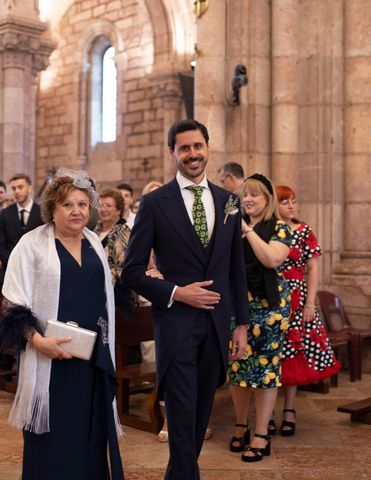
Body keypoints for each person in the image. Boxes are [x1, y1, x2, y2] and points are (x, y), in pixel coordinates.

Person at [122, 119, 249, 479]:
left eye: (198, 146)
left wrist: (240, 323)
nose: (192, 154)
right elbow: (131, 271)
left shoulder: (228, 202)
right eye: (184, 148)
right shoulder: (154, 203)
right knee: (179, 412)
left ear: (208, 148)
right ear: (172, 153)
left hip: (216, 323)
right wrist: (178, 293)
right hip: (176, 324)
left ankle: (178, 474)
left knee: (199, 413)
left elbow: (235, 269)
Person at [0, 168, 123, 479]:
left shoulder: (95, 242)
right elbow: (13, 302)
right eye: (68, 204)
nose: (77, 211)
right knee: (52, 439)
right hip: (49, 361)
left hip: (91, 361)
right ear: (52, 208)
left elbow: (105, 297)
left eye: (82, 204)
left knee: (89, 435)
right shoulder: (31, 244)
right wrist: (38, 341)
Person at [226, 173, 291, 462]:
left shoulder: (278, 227)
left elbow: (272, 259)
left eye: (255, 195)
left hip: (270, 308)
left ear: (268, 200)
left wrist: (247, 231)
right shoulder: (231, 227)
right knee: (237, 368)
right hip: (236, 305)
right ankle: (241, 423)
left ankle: (262, 433)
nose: (248, 199)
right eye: (244, 195)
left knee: (265, 372)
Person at [273, 185, 340, 436]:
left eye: (293, 200)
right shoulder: (268, 230)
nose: (291, 205)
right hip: (270, 297)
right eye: (284, 201)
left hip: (297, 298)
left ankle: (289, 410)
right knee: (272, 354)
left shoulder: (304, 231)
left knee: (294, 355)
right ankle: (267, 412)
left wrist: (309, 304)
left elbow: (313, 269)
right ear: (274, 205)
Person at [0, 173, 43, 281]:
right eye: (13, 188)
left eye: (20, 187)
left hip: (37, 272)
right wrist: (14, 263)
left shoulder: (42, 213)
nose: (16, 191)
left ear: (29, 188)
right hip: (10, 272)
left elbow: (47, 241)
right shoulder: (4, 214)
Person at [93, 188, 132, 309]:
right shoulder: (95, 230)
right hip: (94, 289)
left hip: (114, 295)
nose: (103, 209)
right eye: (101, 205)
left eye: (108, 206)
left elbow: (123, 267)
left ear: (118, 209)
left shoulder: (124, 232)